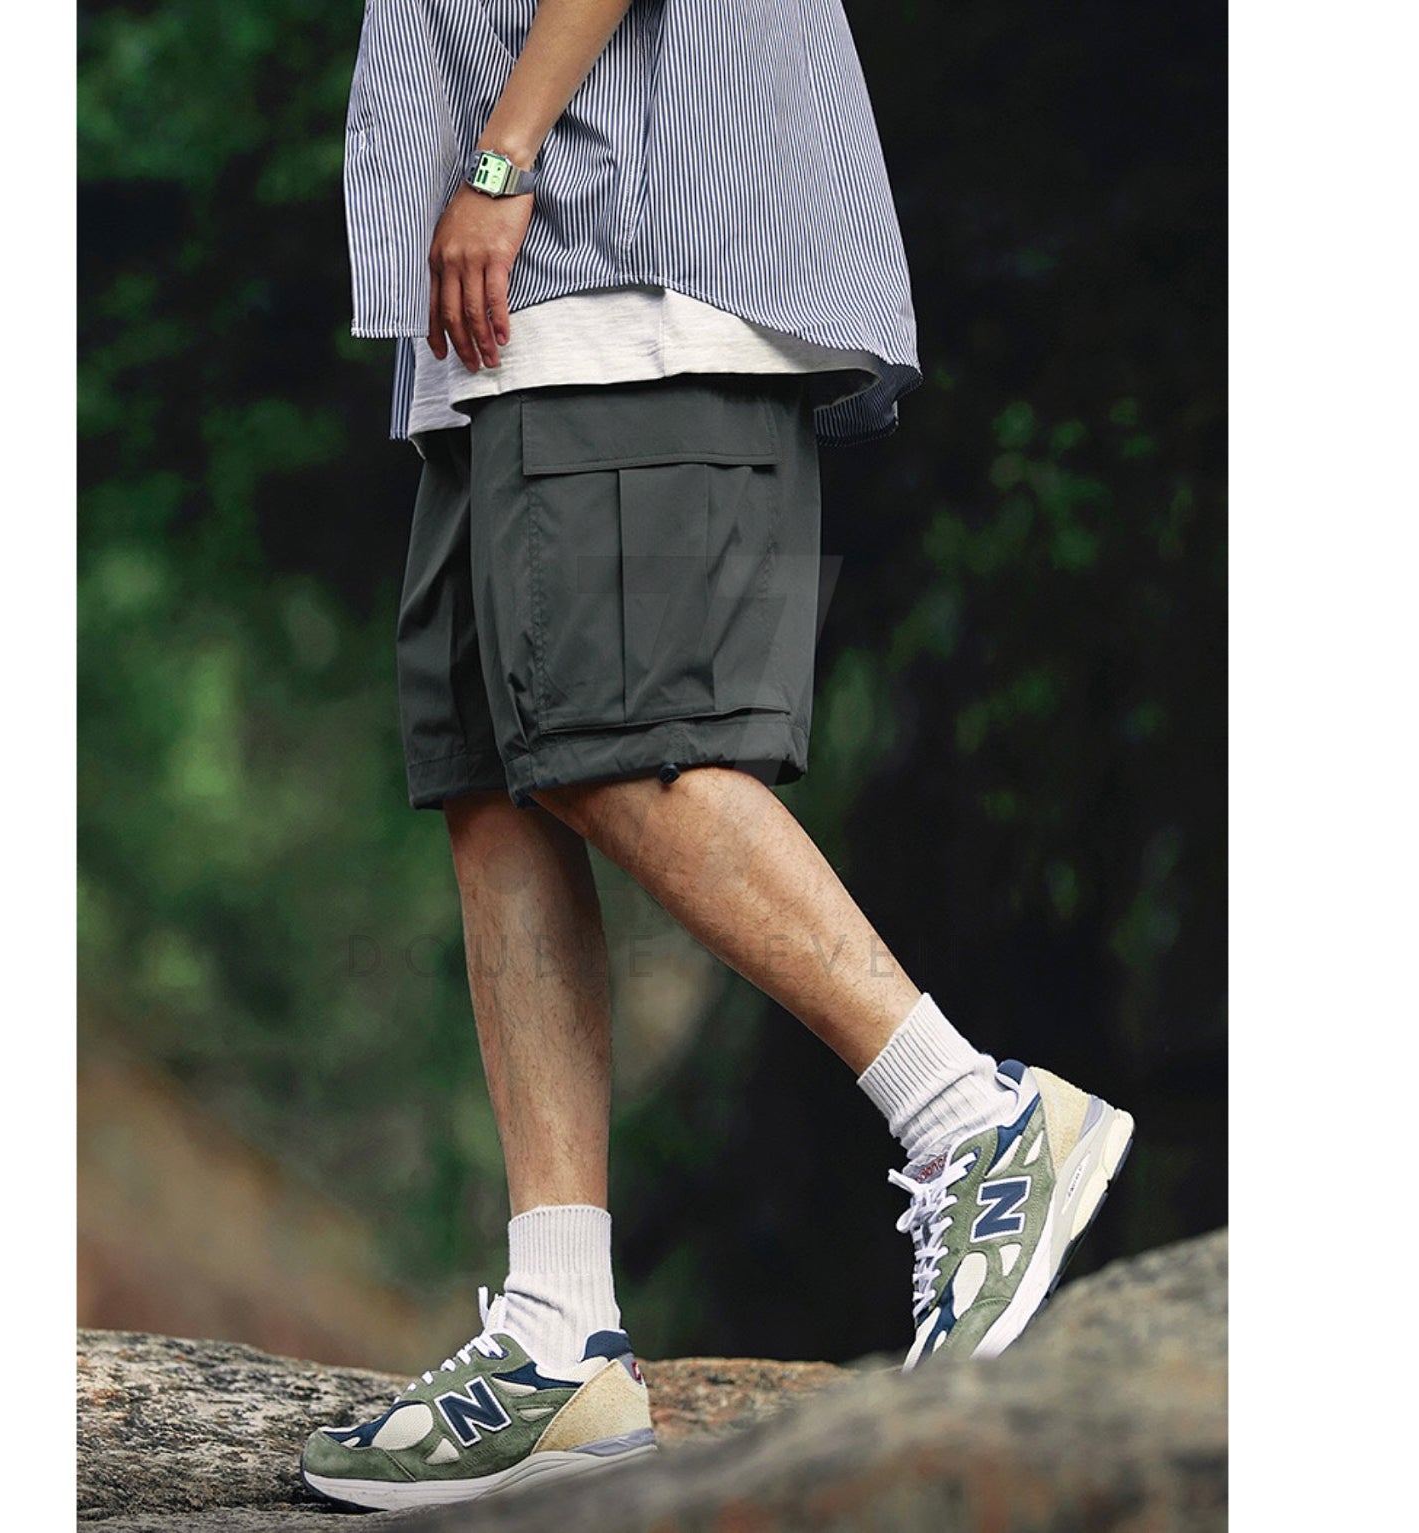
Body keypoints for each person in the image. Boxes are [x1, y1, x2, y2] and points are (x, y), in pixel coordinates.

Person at [301, 0, 1133, 1513]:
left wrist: (501, 158)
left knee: (618, 742)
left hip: (626, 253)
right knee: (496, 788)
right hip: (499, 324)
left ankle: (973, 1113)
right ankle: (559, 1329)